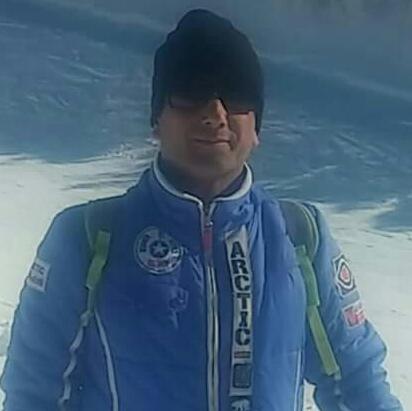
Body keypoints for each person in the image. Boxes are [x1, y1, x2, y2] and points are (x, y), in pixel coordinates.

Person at [0, 8, 403, 411]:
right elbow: (34, 393)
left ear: (256, 127)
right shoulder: (88, 239)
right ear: (157, 119)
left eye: (236, 95)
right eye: (191, 92)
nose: (215, 114)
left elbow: (355, 382)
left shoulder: (299, 237)